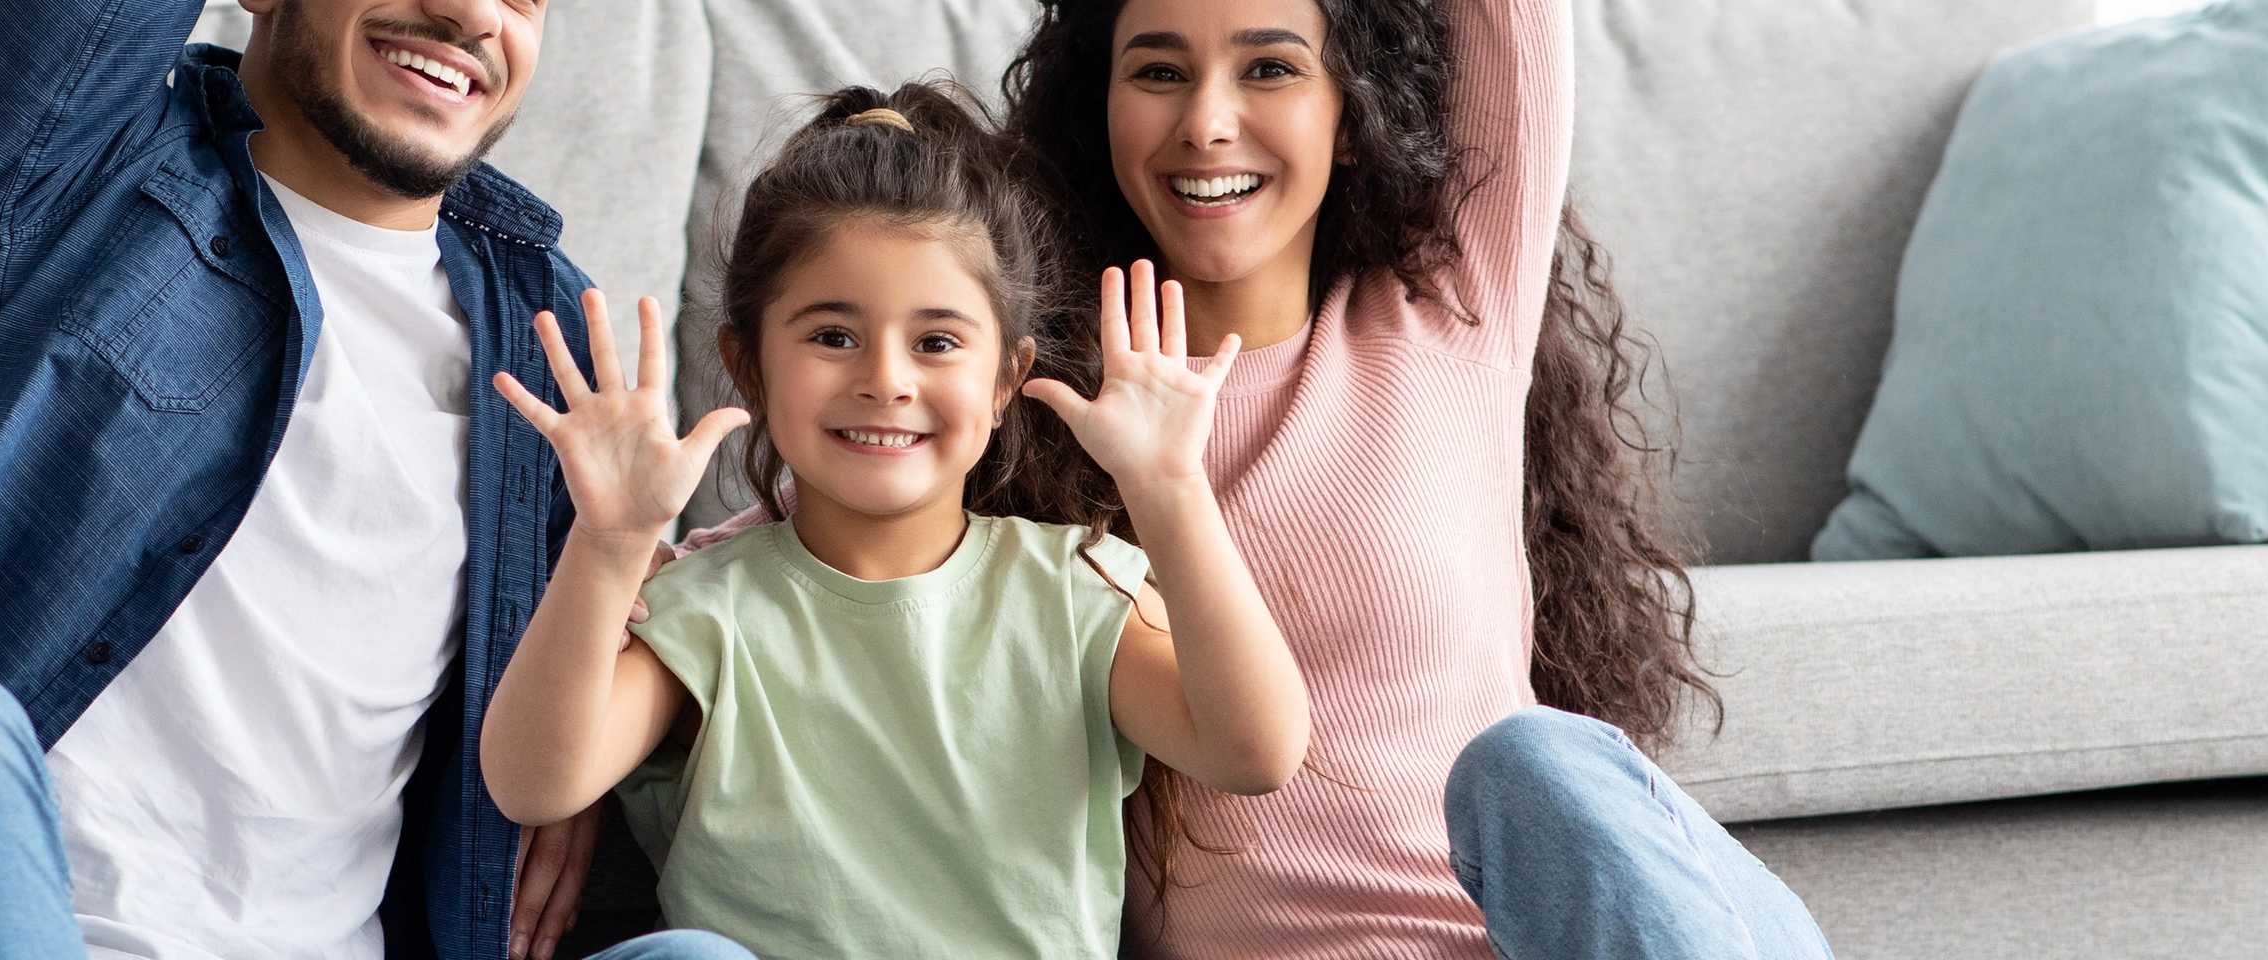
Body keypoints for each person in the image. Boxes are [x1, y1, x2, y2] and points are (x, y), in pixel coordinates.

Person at [0, 0, 719, 956]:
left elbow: (683, 589)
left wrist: (587, 731)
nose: (473, 14)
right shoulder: (56, 180)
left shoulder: (547, 340)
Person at [988, 0, 1841, 955]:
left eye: (1269, 70)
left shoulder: (1449, 312)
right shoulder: (1035, 418)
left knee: (1537, 763)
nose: (1207, 123)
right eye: (1157, 72)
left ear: (1352, 116)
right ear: (1096, 106)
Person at [481, 83, 1310, 959]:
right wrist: (607, 542)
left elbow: (1255, 751)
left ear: (1004, 382)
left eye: (938, 342)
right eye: (832, 336)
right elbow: (536, 783)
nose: (886, 379)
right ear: (749, 369)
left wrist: (1170, 487)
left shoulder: (1075, 588)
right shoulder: (707, 606)